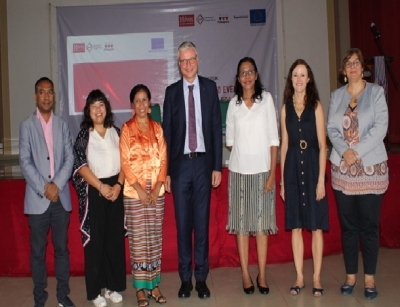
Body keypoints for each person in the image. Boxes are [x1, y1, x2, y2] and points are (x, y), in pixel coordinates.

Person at [327, 48, 389, 300]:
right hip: (343, 171)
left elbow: (381, 127)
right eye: (348, 63)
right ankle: (350, 275)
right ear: (343, 71)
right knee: (349, 227)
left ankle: (370, 278)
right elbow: (332, 128)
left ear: (362, 67)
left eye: (356, 62)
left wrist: (357, 152)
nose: (352, 67)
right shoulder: (336, 95)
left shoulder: (376, 92)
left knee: (369, 226)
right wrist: (344, 152)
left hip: (371, 168)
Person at [162, 41, 222, 299]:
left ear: (198, 59)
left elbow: (216, 130)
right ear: (179, 64)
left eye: (191, 59)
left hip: (204, 164)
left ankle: (201, 279)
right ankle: (185, 278)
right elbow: (166, 135)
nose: (187, 64)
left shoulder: (210, 88)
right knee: (183, 225)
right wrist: (165, 171)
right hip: (180, 167)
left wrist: (217, 166)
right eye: (183, 61)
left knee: (202, 224)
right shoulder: (171, 92)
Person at [19, 77, 75, 307]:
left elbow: (70, 158)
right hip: (38, 199)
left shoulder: (62, 125)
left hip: (60, 199)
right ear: (35, 96)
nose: (46, 96)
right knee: (38, 253)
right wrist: (46, 187)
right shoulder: (26, 126)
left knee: (62, 250)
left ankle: (63, 296)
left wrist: (57, 186)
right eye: (42, 92)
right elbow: (25, 161)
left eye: (50, 92)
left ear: (54, 96)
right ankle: (39, 299)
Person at [225, 57, 279, 295]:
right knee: (242, 227)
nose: (246, 76)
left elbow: (274, 140)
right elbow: (230, 142)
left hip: (262, 173)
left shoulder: (266, 100)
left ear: (256, 75)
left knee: (261, 227)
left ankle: (263, 274)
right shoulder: (233, 105)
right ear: (238, 78)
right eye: (242, 72)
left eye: (250, 72)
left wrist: (271, 175)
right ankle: (246, 274)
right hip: (238, 173)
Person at [72, 89, 126, 307]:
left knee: (113, 241)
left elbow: (126, 163)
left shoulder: (117, 132)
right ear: (88, 111)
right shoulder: (85, 135)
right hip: (95, 190)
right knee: (95, 244)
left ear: (107, 108)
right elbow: (79, 166)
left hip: (116, 190)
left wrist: (119, 186)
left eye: (101, 104)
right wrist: (101, 187)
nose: (98, 109)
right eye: (93, 106)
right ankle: (95, 292)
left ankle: (112, 287)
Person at [280, 59, 329, 298]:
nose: (299, 79)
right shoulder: (285, 108)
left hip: (312, 169)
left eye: (303, 75)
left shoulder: (316, 106)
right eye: (295, 75)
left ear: (309, 79)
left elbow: (322, 145)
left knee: (316, 226)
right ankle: (299, 276)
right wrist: (281, 181)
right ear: (291, 79)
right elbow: (284, 145)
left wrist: (321, 179)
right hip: (291, 172)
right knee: (296, 227)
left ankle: (316, 277)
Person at [120, 84, 168, 307]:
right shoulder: (126, 129)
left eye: (144, 100)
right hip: (133, 193)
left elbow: (164, 159)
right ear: (132, 105)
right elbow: (125, 163)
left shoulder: (157, 129)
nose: (141, 104)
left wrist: (158, 186)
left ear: (150, 105)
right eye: (136, 100)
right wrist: (139, 190)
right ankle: (140, 289)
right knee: (138, 241)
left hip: (156, 193)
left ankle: (155, 285)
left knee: (154, 239)